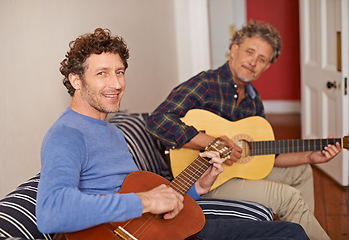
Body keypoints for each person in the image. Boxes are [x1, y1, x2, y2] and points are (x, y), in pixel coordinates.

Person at [35, 28, 309, 240]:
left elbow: (144, 191)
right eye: (102, 74)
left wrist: (200, 185)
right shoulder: (67, 134)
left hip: (162, 228)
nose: (116, 83)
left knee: (290, 230)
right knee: (290, 234)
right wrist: (145, 201)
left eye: (119, 72)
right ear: (76, 80)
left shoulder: (111, 131)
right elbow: (51, 212)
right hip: (130, 231)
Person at [146, 20, 342, 240]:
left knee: (303, 170)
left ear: (267, 66)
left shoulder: (253, 100)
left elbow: (265, 155)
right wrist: (211, 142)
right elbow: (157, 120)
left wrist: (310, 156)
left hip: (234, 173)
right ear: (234, 49)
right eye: (250, 52)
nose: (253, 63)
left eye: (262, 59)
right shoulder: (206, 83)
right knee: (288, 197)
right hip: (204, 177)